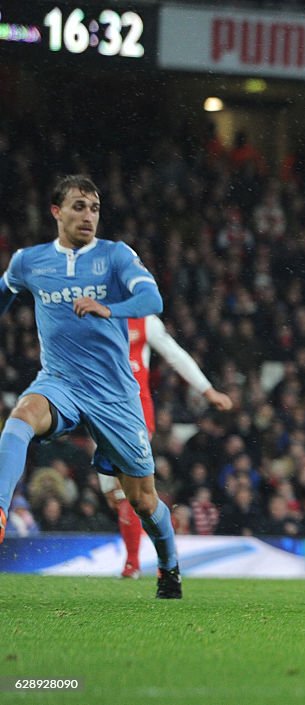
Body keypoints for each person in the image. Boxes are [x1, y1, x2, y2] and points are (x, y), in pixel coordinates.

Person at [0, 175, 182, 598]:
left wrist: (109, 308)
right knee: (20, 419)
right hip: (60, 381)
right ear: (56, 211)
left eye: (94, 208)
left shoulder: (116, 256)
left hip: (116, 394)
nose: (88, 216)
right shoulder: (29, 261)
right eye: (79, 206)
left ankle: (168, 566)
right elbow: (5, 294)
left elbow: (153, 300)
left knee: (142, 500)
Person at [102, 314, 233, 579]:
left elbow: (175, 355)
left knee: (129, 491)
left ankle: (136, 564)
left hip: (134, 414)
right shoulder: (89, 314)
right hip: (99, 412)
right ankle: (156, 551)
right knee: (117, 497)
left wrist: (207, 391)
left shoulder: (143, 321)